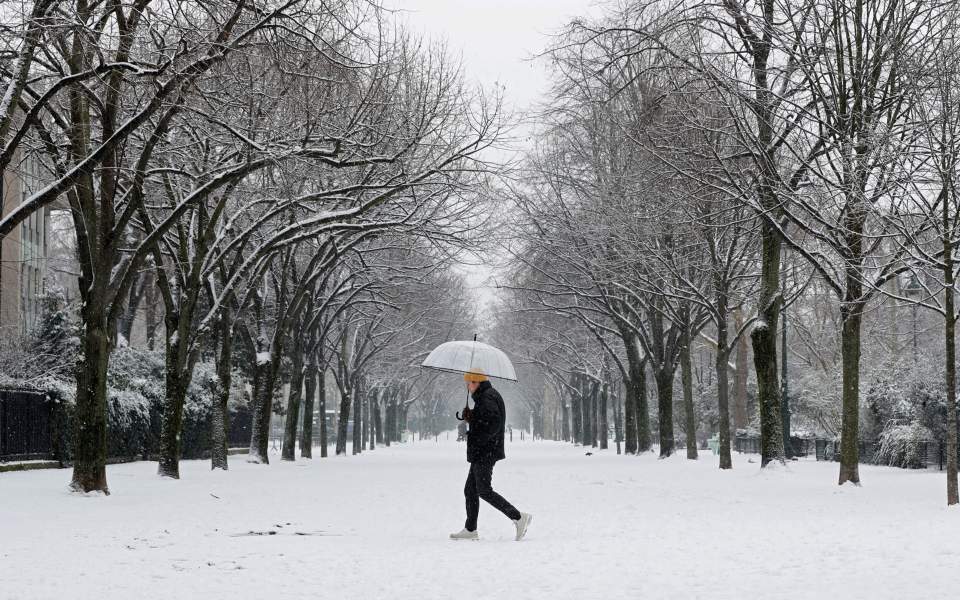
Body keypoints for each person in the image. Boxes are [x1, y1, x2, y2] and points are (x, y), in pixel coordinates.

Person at [450, 371, 532, 541]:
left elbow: (493, 424)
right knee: (470, 490)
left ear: (477, 382)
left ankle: (518, 517)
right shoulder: (486, 396)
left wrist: (476, 437)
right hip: (483, 451)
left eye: (469, 383)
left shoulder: (487, 397)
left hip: (485, 452)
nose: (468, 386)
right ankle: (470, 529)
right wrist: (471, 417)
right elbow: (485, 420)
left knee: (484, 490)